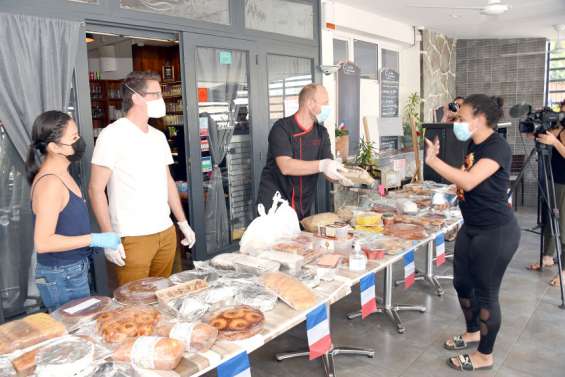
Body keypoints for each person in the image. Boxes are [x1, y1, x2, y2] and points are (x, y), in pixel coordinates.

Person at [424, 94, 520, 371]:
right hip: (472, 227)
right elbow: (465, 179)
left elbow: (469, 179)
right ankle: (473, 331)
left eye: (461, 118)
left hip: (496, 232)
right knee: (462, 283)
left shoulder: (497, 147)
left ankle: (485, 355)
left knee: (487, 293)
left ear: (479, 120)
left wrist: (434, 161)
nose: (456, 122)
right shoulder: (472, 143)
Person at [89, 71, 196, 287]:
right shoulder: (113, 135)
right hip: (132, 236)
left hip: (165, 232)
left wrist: (182, 223)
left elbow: (167, 182)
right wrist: (109, 237)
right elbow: (95, 189)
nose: (161, 100)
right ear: (136, 97)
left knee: (161, 296)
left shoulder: (158, 137)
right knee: (134, 305)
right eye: (155, 94)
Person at [25, 111, 121, 312]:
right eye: (73, 138)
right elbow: (43, 243)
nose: (80, 141)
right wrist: (94, 239)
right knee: (75, 333)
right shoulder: (51, 183)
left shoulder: (63, 174)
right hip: (61, 274)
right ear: (54, 147)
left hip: (73, 268)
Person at [256, 83, 349, 220]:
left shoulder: (321, 133)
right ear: (310, 103)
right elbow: (285, 166)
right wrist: (322, 165)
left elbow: (328, 169)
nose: (328, 108)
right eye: (325, 103)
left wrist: (342, 176)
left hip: (302, 203)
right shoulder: (282, 128)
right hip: (274, 203)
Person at [528, 99, 565, 286]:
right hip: (554, 179)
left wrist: (554, 142)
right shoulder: (560, 126)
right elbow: (545, 137)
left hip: (563, 183)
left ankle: (564, 271)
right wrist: (537, 131)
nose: (562, 114)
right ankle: (548, 256)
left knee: (564, 226)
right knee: (551, 220)